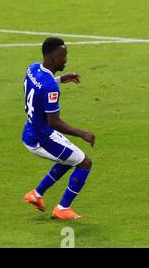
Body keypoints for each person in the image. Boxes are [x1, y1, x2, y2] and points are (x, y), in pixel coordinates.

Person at [23, 37, 95, 220]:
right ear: (54, 57)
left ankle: (36, 195)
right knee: (84, 162)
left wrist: (61, 79)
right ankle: (63, 208)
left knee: (70, 159)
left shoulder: (32, 69)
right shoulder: (50, 88)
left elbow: (40, 85)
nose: (66, 59)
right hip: (43, 138)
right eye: (63, 56)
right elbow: (54, 122)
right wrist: (82, 133)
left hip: (30, 131)